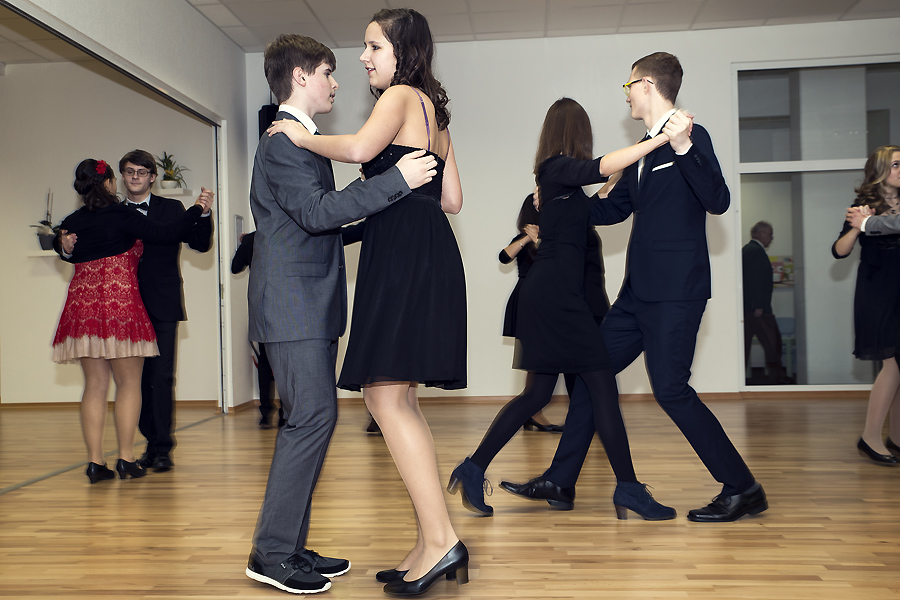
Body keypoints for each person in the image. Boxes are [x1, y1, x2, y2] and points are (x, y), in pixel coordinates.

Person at [502, 53, 768, 523]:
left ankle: (742, 486)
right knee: (591, 375)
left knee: (670, 390)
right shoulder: (645, 148)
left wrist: (684, 147)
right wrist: (559, 196)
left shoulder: (690, 138)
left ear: (646, 84)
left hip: (676, 294)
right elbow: (607, 212)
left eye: (628, 85)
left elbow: (718, 200)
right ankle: (561, 481)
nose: (625, 93)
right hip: (635, 296)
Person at [267, 9, 467, 596]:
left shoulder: (402, 94)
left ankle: (439, 539)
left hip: (402, 254)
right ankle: (431, 539)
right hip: (428, 247)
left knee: (384, 395)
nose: (363, 57)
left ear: (401, 52)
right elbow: (452, 198)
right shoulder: (437, 113)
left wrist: (302, 137)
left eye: (372, 46)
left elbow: (356, 148)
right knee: (397, 396)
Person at [450, 98, 674, 521]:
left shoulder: (563, 190)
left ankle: (473, 467)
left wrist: (621, 176)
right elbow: (598, 168)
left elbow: (601, 203)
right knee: (602, 389)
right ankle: (629, 488)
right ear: (577, 134)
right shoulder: (554, 169)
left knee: (538, 393)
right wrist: (660, 138)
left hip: (552, 295)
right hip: (556, 297)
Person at [52, 159, 213, 484]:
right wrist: (197, 208)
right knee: (128, 384)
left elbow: (62, 242)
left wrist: (60, 244)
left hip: (82, 307)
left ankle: (96, 464)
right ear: (111, 182)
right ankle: (126, 458)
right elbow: (167, 233)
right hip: (119, 303)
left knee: (94, 386)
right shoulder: (121, 214)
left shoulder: (72, 220)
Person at [107, 149, 214, 474]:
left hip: (164, 303)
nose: (135, 176)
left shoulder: (172, 208)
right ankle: (149, 443)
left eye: (142, 171)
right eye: (129, 171)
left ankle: (162, 448)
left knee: (163, 377)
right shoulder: (113, 212)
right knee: (134, 381)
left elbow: (200, 245)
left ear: (153, 177)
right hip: (124, 305)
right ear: (122, 176)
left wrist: (205, 214)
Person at [835, 145, 900, 465]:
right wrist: (857, 227)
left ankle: (896, 439)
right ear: (880, 170)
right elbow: (840, 251)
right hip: (877, 291)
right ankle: (870, 437)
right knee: (892, 364)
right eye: (897, 164)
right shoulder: (863, 205)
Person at [499, 195, 562, 432]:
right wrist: (528, 237)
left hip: (549, 296)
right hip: (528, 298)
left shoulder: (554, 238)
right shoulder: (523, 239)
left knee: (543, 357)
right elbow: (504, 257)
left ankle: (532, 410)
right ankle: (532, 411)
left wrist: (541, 238)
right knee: (536, 358)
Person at [231, 231, 282, 429]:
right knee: (286, 363)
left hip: (263, 307)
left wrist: (243, 245)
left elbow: (236, 268)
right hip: (289, 306)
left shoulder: (253, 238)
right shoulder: (288, 233)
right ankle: (286, 413)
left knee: (265, 362)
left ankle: (266, 413)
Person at [742, 221, 791, 384]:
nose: (771, 238)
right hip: (757, 309)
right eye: (769, 234)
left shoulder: (749, 250)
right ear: (759, 233)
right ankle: (777, 378)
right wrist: (759, 306)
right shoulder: (755, 252)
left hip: (749, 307)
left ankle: (739, 379)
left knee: (745, 344)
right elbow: (755, 281)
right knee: (772, 343)